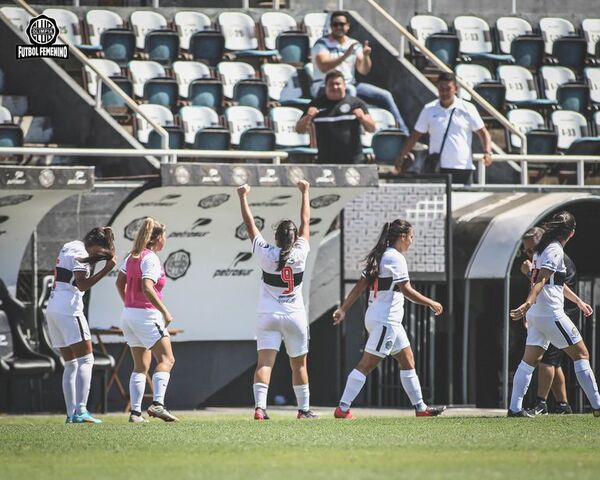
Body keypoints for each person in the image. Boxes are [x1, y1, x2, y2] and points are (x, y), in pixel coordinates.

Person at [332, 219, 446, 419]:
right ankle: (343, 408)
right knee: (366, 365)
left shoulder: (381, 255)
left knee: (408, 360)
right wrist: (431, 302)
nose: (411, 241)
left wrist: (343, 309)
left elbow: (360, 287)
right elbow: (406, 290)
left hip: (380, 318)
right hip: (387, 321)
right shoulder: (396, 257)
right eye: (411, 237)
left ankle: (421, 408)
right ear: (402, 237)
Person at [237, 180, 317, 420]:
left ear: (277, 237)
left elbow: (250, 225)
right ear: (294, 239)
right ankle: (303, 411)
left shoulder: (266, 253)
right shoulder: (301, 252)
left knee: (264, 364)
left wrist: (242, 197)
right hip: (294, 316)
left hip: (268, 315)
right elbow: (306, 222)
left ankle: (260, 409)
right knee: (299, 365)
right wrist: (305, 192)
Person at [509, 211, 600, 418]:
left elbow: (555, 282)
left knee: (529, 361)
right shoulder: (554, 249)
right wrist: (526, 304)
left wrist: (578, 301)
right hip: (550, 312)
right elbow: (540, 281)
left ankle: (514, 409)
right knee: (582, 354)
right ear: (572, 233)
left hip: (537, 315)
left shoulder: (541, 250)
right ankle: (597, 406)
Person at [46, 227, 116, 424]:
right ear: (94, 244)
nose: (99, 255)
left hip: (53, 306)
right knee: (86, 360)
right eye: (100, 251)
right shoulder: (82, 253)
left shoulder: (71, 246)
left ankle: (71, 414)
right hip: (69, 308)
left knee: (71, 363)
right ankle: (81, 411)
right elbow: (81, 284)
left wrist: (107, 244)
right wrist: (106, 270)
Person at [116, 217, 178, 423]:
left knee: (141, 366)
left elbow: (119, 282)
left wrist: (128, 303)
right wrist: (165, 312)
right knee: (167, 359)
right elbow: (147, 287)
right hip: (146, 314)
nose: (165, 240)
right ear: (158, 237)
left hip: (129, 315)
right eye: (165, 236)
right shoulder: (150, 258)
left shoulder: (132, 256)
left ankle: (135, 413)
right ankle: (158, 405)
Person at [311, 11, 409, 134]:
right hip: (324, 86)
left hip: (350, 83)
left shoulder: (354, 44)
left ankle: (404, 133)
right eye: (335, 25)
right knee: (351, 91)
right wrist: (346, 55)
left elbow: (364, 70)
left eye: (341, 24)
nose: (338, 27)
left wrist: (367, 56)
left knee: (385, 95)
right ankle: (355, 131)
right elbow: (324, 67)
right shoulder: (322, 44)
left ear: (348, 26)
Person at [395, 72, 493, 185]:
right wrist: (401, 156)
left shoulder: (468, 108)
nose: (444, 92)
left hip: (463, 168)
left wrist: (487, 152)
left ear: (455, 89)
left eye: (448, 89)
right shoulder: (429, 109)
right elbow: (415, 135)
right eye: (441, 89)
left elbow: (483, 133)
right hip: (437, 168)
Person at [519, 227, 577, 415]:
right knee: (554, 361)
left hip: (558, 313)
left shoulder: (555, 257)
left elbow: (551, 287)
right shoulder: (543, 257)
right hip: (545, 313)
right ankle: (562, 404)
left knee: (548, 361)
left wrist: (530, 274)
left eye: (530, 249)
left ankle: (541, 403)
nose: (529, 254)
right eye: (526, 251)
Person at [296, 70, 376, 164]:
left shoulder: (356, 103)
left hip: (353, 161)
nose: (335, 87)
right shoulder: (316, 105)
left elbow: (372, 128)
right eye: (331, 84)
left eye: (338, 84)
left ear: (344, 86)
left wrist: (362, 118)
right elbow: (299, 130)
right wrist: (308, 117)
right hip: (325, 161)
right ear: (325, 87)